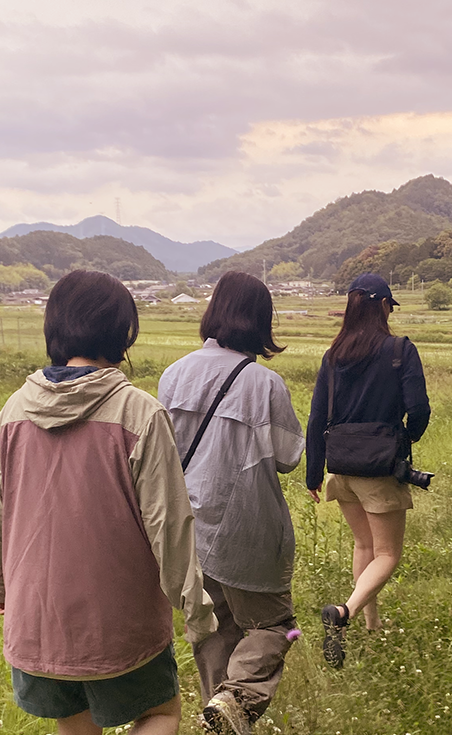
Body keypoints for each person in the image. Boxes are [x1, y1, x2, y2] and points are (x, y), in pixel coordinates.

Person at [0, 270, 216, 735]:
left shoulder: (13, 412)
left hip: (38, 621)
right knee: (161, 714)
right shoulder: (138, 413)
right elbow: (168, 524)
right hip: (120, 625)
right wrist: (195, 608)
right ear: (122, 333)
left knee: (75, 724)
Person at [158, 271, 305, 735]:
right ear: (260, 323)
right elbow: (288, 458)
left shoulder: (173, 375)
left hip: (189, 527)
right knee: (273, 624)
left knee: (213, 627)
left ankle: (218, 712)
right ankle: (236, 698)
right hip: (247, 526)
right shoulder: (264, 385)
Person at [305, 273, 430, 669]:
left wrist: (312, 475)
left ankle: (372, 626)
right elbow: (420, 409)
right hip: (378, 469)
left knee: (365, 546)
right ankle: (345, 613)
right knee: (389, 554)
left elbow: (315, 418)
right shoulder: (399, 350)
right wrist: (404, 439)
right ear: (382, 306)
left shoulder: (333, 355)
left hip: (340, 468)